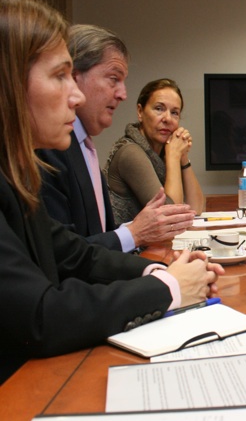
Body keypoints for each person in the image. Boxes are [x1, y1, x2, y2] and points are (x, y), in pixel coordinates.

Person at [0, 0, 223, 383]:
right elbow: (40, 316)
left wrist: (156, 273)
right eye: (60, 76)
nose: (74, 96)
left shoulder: (13, 174)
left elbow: (74, 255)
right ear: (9, 84)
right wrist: (169, 288)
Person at [38, 24, 194, 252]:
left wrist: (154, 273)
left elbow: (195, 209)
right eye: (113, 79)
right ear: (74, 78)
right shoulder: (53, 148)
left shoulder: (85, 146)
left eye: (175, 112)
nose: (123, 94)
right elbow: (63, 256)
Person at [105, 78, 205, 225]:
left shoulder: (164, 150)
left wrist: (183, 157)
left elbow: (197, 209)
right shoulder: (129, 152)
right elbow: (170, 216)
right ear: (140, 112)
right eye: (159, 109)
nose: (167, 119)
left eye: (175, 112)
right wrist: (173, 156)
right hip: (123, 247)